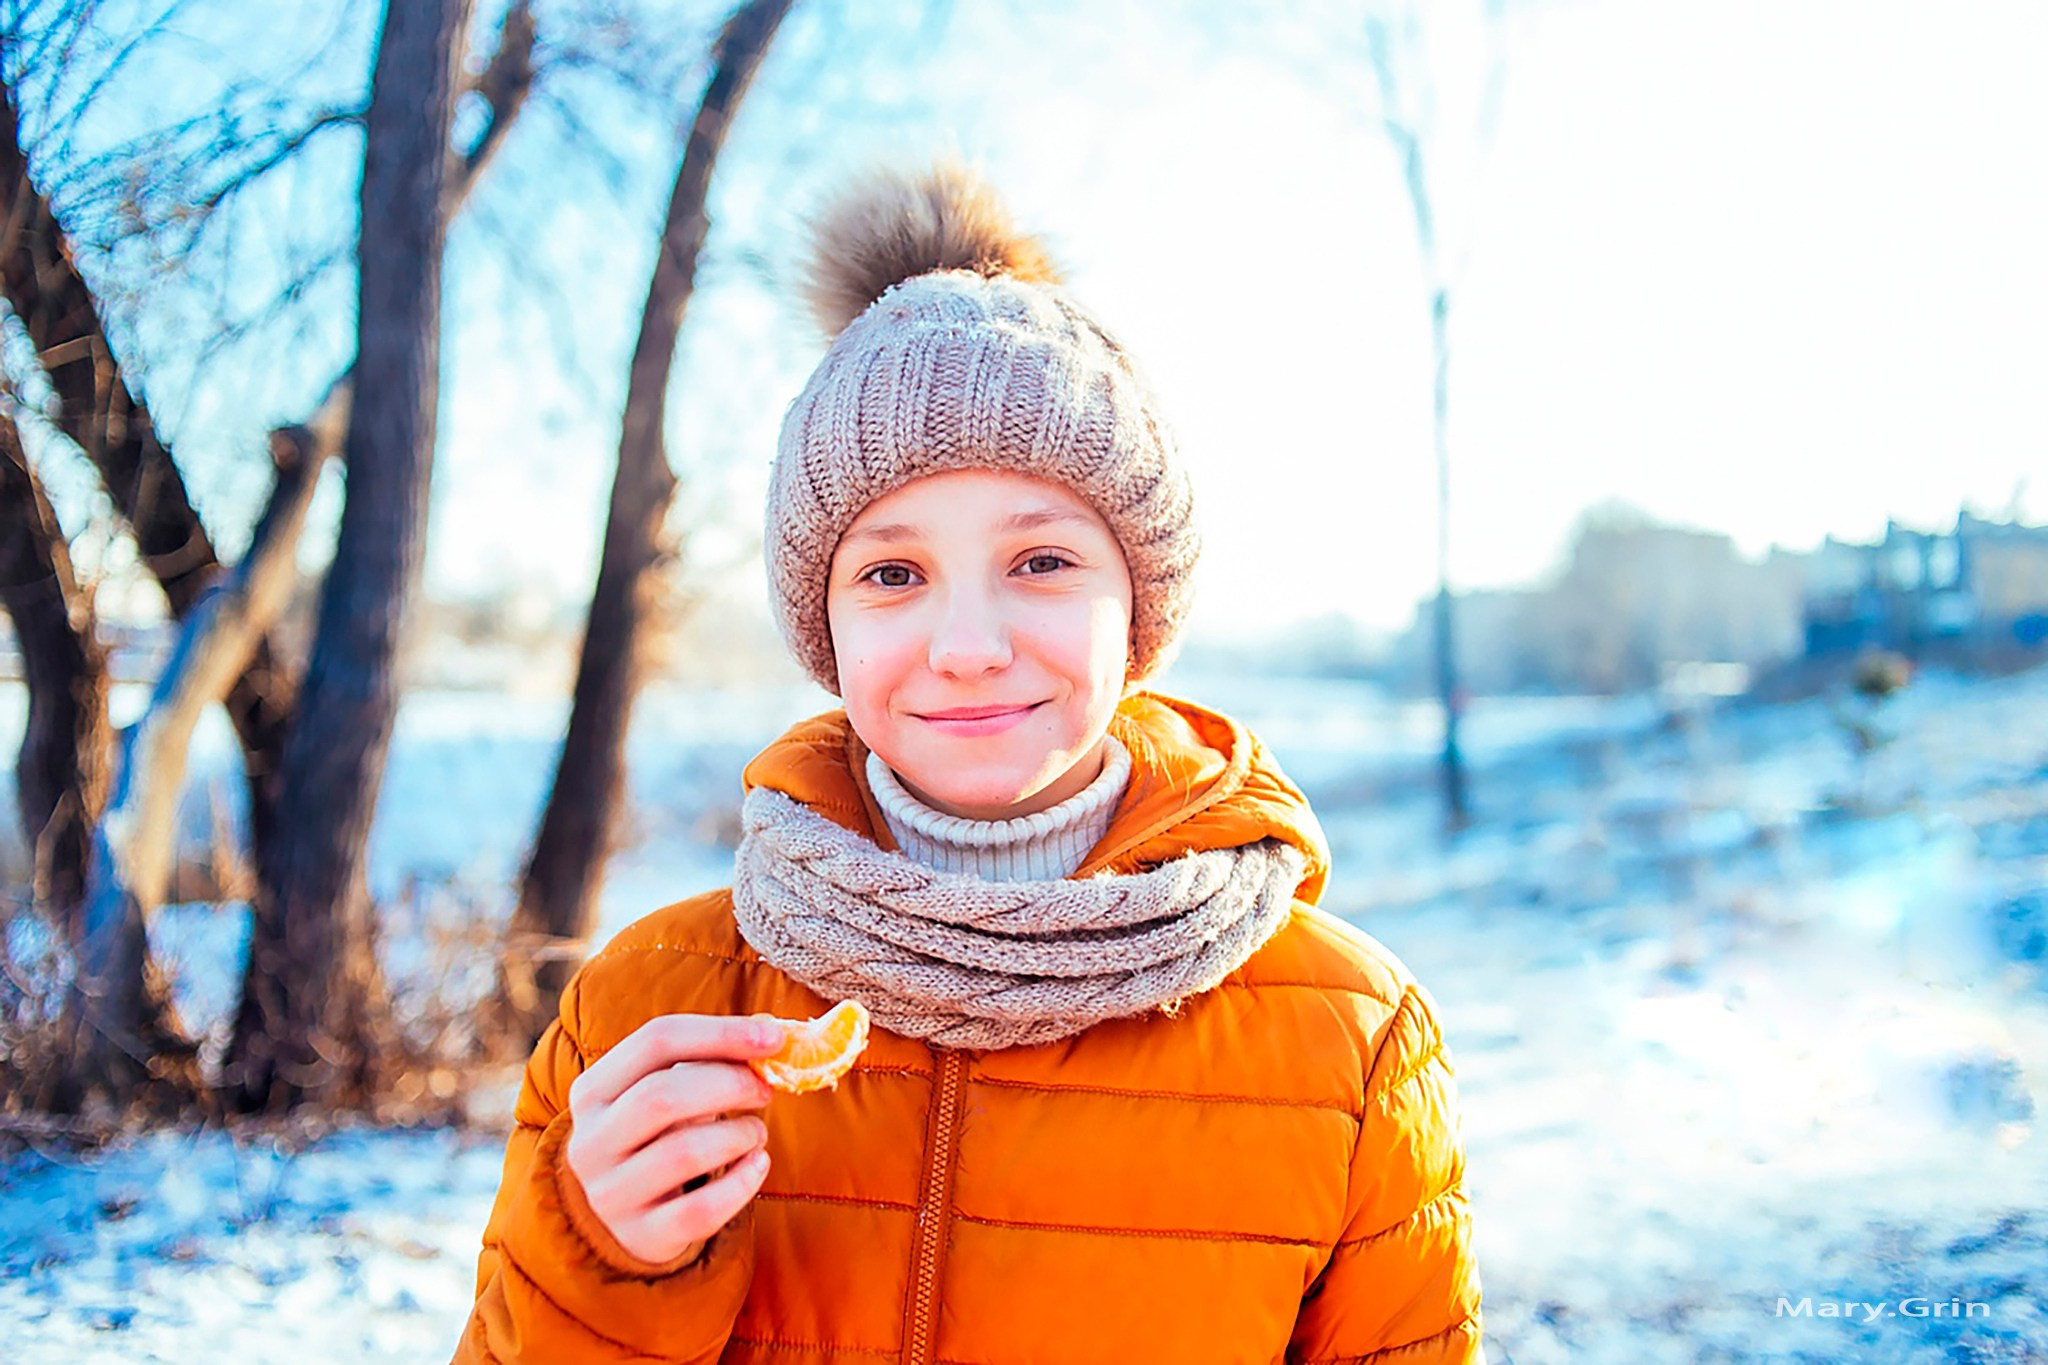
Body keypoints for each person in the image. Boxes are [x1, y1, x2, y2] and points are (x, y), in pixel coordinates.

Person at [451, 162, 1484, 1365]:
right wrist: (600, 1263)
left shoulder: (1348, 1037)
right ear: (823, 627)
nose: (968, 649)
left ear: (1139, 609)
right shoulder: (650, 1006)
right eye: (892, 575)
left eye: (1040, 563)